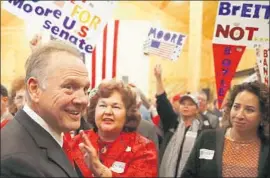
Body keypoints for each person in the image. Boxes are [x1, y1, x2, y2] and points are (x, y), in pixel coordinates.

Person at [1, 40, 90, 177]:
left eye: (85, 89)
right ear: (34, 89)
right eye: (69, 87)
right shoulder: (15, 162)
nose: (83, 100)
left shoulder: (52, 134)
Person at [68, 80, 158, 177]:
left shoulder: (143, 148)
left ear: (128, 114)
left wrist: (102, 171)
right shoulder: (77, 143)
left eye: (116, 107)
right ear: (94, 110)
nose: (108, 112)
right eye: (103, 105)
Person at [181, 81, 269, 178]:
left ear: (263, 115)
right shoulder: (207, 138)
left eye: (249, 110)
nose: (239, 115)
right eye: (236, 107)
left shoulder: (266, 147)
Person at [154, 65, 210, 177]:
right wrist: (158, 78)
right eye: (183, 104)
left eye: (190, 104)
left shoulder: (203, 129)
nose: (186, 107)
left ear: (197, 109)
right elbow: (162, 101)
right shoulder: (172, 123)